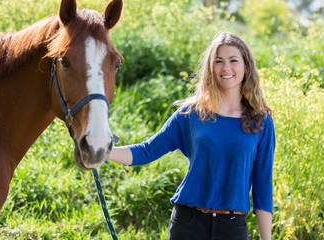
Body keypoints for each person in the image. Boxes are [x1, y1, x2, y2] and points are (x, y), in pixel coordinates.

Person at [107, 31, 275, 240]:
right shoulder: (191, 114)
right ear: (210, 68)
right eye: (219, 61)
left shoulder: (261, 122)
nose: (226, 68)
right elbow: (146, 151)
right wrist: (102, 151)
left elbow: (263, 187)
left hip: (232, 229)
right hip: (188, 224)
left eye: (234, 60)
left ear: (246, 66)